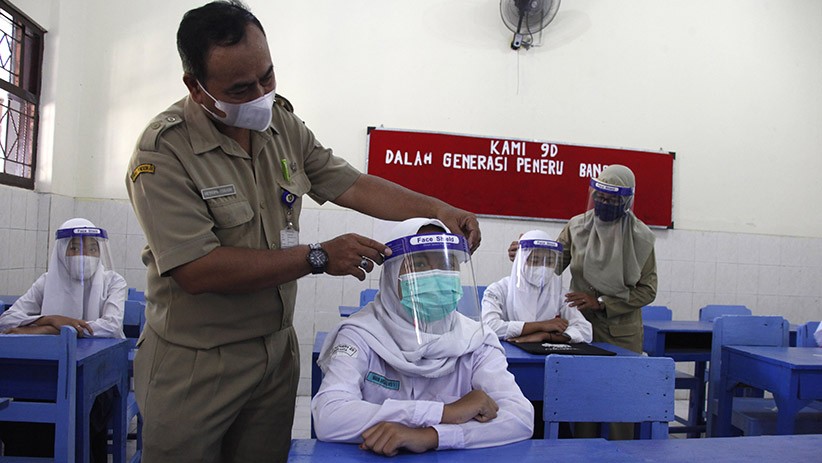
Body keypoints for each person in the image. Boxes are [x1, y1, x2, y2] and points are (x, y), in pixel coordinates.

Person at [124, 2, 480, 462]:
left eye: (267, 77)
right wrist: (318, 257)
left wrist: (439, 209)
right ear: (195, 86)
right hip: (195, 362)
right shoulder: (163, 152)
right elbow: (196, 269)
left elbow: (351, 184)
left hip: (274, 355)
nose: (260, 95)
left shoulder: (281, 125)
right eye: (240, 88)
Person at [312, 218, 532, 456]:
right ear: (392, 273)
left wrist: (431, 436)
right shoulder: (361, 334)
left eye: (445, 263)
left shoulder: (477, 340)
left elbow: (520, 417)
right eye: (418, 263)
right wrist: (445, 413)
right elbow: (329, 416)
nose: (435, 275)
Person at [507, 165, 657, 440]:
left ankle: (620, 454)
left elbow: (647, 291)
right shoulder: (577, 227)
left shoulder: (641, 238)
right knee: (581, 397)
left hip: (621, 333)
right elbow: (550, 267)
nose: (604, 204)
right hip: (577, 327)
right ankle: (582, 451)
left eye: (612, 200)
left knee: (619, 402)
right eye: (600, 197)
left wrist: (601, 302)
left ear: (626, 201)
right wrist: (526, 257)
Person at [0, 217, 126, 463]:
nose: (84, 255)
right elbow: (6, 321)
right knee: (23, 416)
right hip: (48, 375)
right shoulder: (47, 281)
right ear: (61, 251)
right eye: (75, 248)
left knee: (83, 414)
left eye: (92, 248)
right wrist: (51, 319)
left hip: (99, 377)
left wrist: (51, 329)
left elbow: (111, 325)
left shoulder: (113, 281)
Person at [482, 229, 592, 344]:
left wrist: (545, 336)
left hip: (546, 352)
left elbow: (585, 331)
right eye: (535, 261)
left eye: (549, 262)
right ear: (521, 260)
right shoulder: (497, 290)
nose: (542, 268)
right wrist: (541, 326)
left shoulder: (559, 293)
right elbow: (489, 326)